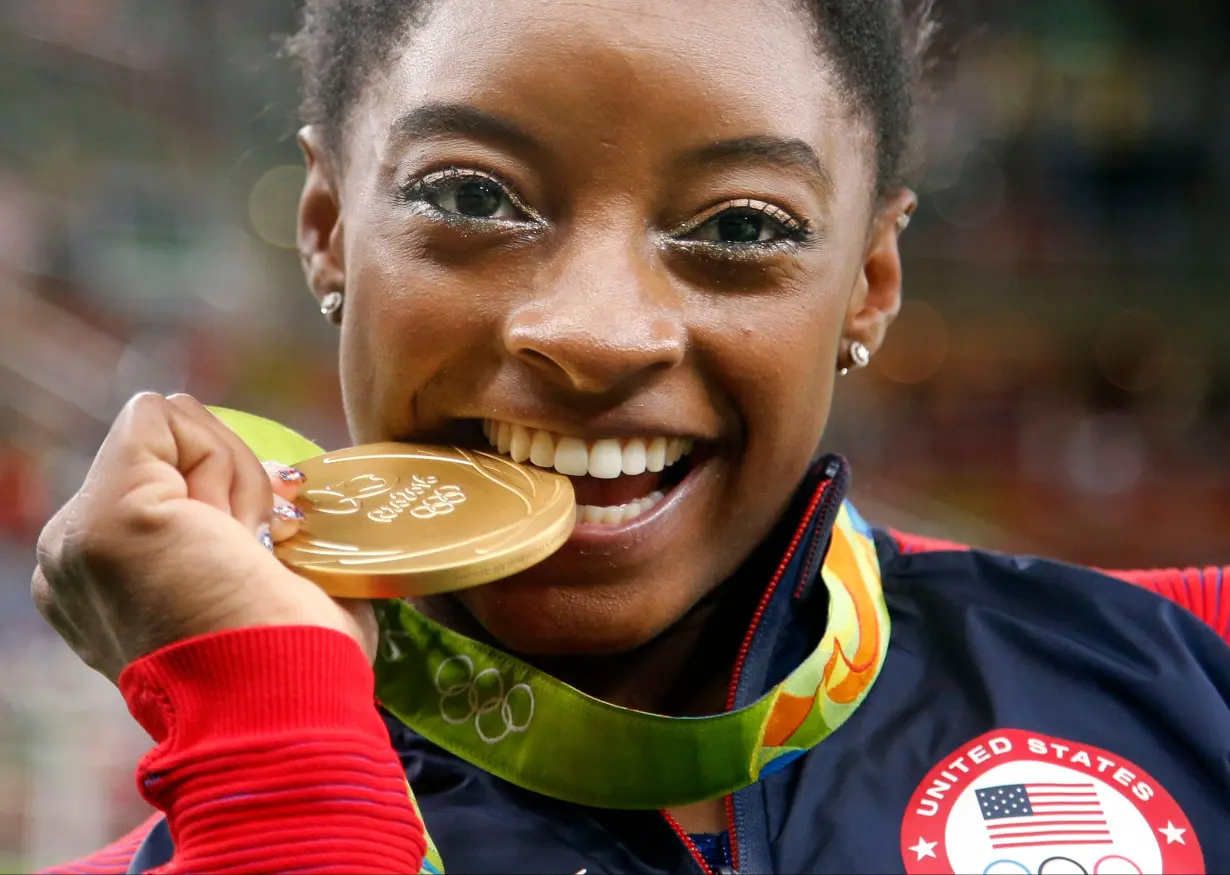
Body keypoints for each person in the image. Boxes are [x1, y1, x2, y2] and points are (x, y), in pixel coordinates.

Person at [32, 1, 1229, 873]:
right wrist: (277, 749)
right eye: (470, 196)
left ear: (868, 281)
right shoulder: (229, 806)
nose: (598, 336)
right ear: (331, 227)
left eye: (745, 224)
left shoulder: (1181, 668)